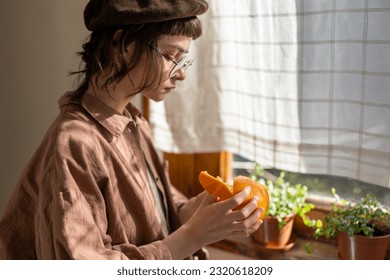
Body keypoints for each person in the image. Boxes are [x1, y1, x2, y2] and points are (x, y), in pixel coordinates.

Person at [0, 0, 263, 260]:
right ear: (122, 46)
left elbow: (157, 211)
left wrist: (198, 210)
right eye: (171, 56)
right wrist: (194, 235)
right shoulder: (74, 143)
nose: (181, 74)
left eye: (183, 60)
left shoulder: (135, 124)